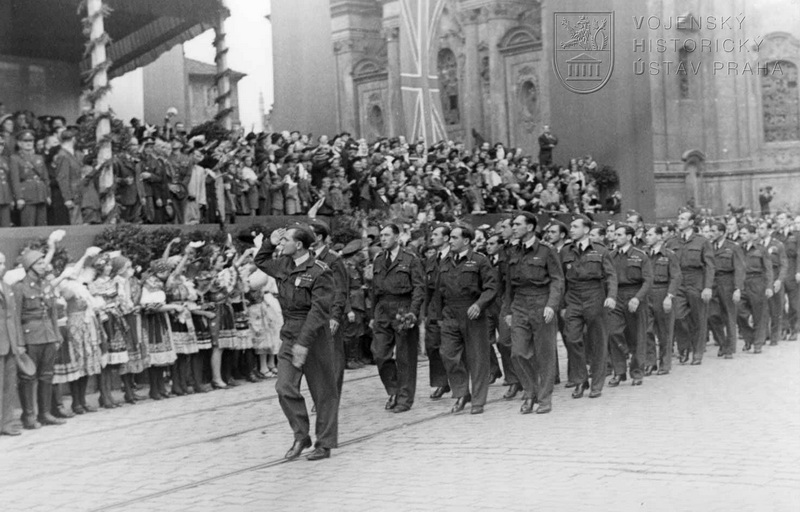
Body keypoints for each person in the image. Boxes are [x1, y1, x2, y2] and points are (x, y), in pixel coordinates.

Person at [254, 226, 339, 461]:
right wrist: (269, 243)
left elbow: (319, 310)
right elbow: (261, 261)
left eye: (285, 240)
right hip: (290, 333)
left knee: (323, 392)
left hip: (314, 336)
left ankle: (325, 443)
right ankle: (301, 435)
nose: (281, 245)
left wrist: (304, 343)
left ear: (299, 244)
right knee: (284, 387)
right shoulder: (283, 265)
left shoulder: (320, 271)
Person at [434, 224, 497, 415]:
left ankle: (478, 400)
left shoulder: (479, 261)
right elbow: (438, 291)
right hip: (450, 313)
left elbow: (491, 287)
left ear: (467, 241)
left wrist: (479, 304)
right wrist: (438, 316)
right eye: (450, 238)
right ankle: (462, 392)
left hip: (473, 312)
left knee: (477, 358)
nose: (450, 241)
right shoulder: (445, 262)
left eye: (454, 238)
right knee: (448, 354)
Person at [505, 212, 564, 414]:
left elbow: (557, 280)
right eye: (512, 224)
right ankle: (530, 391)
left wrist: (551, 305)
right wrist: (508, 310)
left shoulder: (547, 251)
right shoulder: (512, 251)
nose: (513, 227)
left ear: (529, 227)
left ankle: (544, 398)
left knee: (544, 354)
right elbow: (508, 285)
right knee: (518, 352)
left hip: (541, 301)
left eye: (517, 224)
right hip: (520, 303)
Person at [369, 223, 425, 413]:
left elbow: (419, 288)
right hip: (383, 309)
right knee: (379, 353)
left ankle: (404, 398)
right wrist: (372, 315)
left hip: (403, 307)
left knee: (405, 357)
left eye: (386, 235)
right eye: (381, 235)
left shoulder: (410, 259)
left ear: (397, 237)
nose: (382, 238)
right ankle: (393, 389)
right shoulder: (378, 260)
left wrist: (414, 312)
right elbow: (373, 289)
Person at [560, 215, 617, 399]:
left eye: (575, 226)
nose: (571, 229)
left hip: (595, 295)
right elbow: (560, 280)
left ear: (586, 230)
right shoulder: (565, 251)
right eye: (571, 226)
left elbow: (611, 275)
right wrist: (562, 305)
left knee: (597, 341)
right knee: (571, 338)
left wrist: (611, 296)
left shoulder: (600, 250)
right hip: (573, 297)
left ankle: (597, 383)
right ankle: (580, 380)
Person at [14, 247, 65, 428]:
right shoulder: (20, 287)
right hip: (30, 336)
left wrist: (57, 335)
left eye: (44, 262)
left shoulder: (46, 285)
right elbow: (16, 317)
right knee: (28, 376)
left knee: (47, 375)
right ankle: (28, 415)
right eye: (40, 263)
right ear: (30, 266)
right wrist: (20, 343)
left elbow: (52, 313)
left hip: (48, 335)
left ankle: (45, 413)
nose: (44, 266)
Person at [607, 225, 652, 387]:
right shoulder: (611, 256)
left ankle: (637, 372)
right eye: (614, 234)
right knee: (613, 332)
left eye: (619, 234)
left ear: (629, 237)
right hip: (616, 296)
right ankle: (619, 372)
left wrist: (637, 298)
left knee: (638, 336)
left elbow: (648, 280)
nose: (615, 237)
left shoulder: (640, 256)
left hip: (635, 296)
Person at [667, 210, 715, 365]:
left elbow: (709, 266)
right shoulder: (672, 242)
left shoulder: (702, 242)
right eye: (678, 218)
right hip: (678, 283)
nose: (678, 221)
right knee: (678, 317)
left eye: (682, 219)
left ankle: (697, 352)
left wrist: (707, 287)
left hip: (696, 282)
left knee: (698, 319)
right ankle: (684, 348)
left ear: (691, 222)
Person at [644, 225, 681, 375]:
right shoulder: (644, 254)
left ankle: (665, 363)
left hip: (662, 292)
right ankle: (650, 362)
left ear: (659, 237)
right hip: (647, 293)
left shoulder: (669, 255)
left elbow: (676, 276)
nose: (647, 237)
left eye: (651, 234)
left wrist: (670, 296)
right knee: (647, 329)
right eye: (647, 234)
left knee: (665, 330)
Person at [422, 224, 452, 400]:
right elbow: (427, 287)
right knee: (433, 346)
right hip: (434, 308)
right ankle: (442, 382)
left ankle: (458, 382)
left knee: (452, 348)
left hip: (450, 306)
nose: (432, 238)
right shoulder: (431, 260)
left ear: (446, 238)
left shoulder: (454, 256)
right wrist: (425, 312)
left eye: (435, 235)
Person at [707, 222, 744, 359]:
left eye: (713, 230)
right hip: (713, 283)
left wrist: (738, 288)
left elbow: (739, 268)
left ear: (722, 232)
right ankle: (722, 342)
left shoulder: (733, 247)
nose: (710, 233)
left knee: (729, 316)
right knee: (712, 315)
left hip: (728, 282)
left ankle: (729, 348)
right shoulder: (709, 246)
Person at [737, 225, 773, 353]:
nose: (742, 235)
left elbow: (768, 269)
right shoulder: (738, 248)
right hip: (742, 282)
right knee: (739, 312)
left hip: (757, 282)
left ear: (753, 234)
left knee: (759, 315)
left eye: (745, 233)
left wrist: (769, 286)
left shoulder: (761, 249)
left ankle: (758, 343)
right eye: (741, 233)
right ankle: (749, 337)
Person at [0, 252, 23, 436]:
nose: (2, 267)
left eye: (3, 263)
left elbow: (13, 317)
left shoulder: (7, 287)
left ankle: (6, 422)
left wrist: (18, 342)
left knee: (9, 385)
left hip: (9, 342)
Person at [9, 129, 50, 226]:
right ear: (19, 143)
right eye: (25, 141)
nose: (29, 143)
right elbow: (15, 180)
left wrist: (48, 195)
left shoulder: (39, 157)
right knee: (28, 224)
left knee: (42, 224)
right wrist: (19, 197)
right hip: (27, 194)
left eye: (31, 141)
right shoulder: (15, 158)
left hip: (41, 193)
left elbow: (45, 178)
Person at [758, 220, 787, 346]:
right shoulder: (756, 244)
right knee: (762, 309)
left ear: (769, 230)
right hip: (762, 280)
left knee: (776, 309)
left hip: (775, 278)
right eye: (758, 228)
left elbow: (784, 264)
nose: (760, 231)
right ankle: (763, 335)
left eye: (763, 228)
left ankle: (775, 336)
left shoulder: (777, 245)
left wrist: (779, 280)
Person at [774, 212, 800, 341]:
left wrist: (798, 271)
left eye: (782, 218)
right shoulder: (774, 236)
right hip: (779, 272)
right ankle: (783, 328)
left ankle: (794, 328)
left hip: (792, 271)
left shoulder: (796, 235)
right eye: (778, 218)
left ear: (789, 220)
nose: (780, 221)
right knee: (780, 302)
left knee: (794, 304)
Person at [52, 129, 84, 225]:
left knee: (79, 220)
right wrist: (67, 198)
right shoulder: (63, 155)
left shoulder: (73, 153)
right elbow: (62, 178)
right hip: (72, 192)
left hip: (78, 191)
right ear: (74, 139)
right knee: (75, 220)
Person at [0, 137, 12, 227]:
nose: (0, 147)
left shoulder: (6, 160)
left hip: (5, 195)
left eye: (1, 144)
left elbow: (10, 179)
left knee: (6, 225)